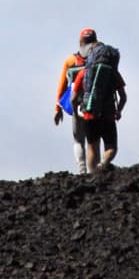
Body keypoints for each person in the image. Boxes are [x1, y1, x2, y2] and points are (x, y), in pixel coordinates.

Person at [70, 32, 127, 173]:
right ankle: (103, 164)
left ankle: (93, 174)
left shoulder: (84, 73)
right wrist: (118, 110)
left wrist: (76, 114)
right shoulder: (113, 73)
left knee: (92, 147)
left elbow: (73, 98)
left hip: (90, 114)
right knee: (111, 147)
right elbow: (123, 96)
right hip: (108, 113)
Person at [53, 28, 95, 174]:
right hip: (96, 104)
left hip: (76, 103)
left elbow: (61, 86)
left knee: (78, 140)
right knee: (95, 140)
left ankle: (82, 169)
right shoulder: (100, 59)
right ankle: (96, 171)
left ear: (80, 42)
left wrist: (58, 109)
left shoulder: (71, 61)